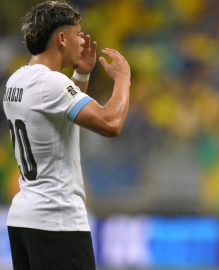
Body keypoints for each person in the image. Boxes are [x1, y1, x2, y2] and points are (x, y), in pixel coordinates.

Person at [2, 1, 131, 269]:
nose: (83, 41)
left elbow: (60, 113)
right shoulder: (51, 83)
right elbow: (111, 122)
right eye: (79, 34)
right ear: (62, 38)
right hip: (57, 221)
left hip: (23, 220)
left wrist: (82, 73)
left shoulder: (17, 80)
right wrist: (123, 80)